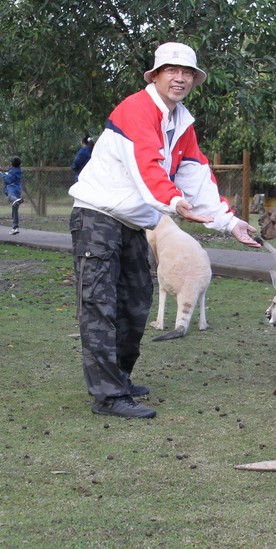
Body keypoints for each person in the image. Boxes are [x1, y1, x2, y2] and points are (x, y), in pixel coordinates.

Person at [68, 42, 261, 419]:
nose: (181, 78)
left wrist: (230, 222)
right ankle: (108, 397)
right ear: (155, 75)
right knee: (99, 306)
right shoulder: (136, 110)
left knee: (136, 303)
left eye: (188, 72)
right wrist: (173, 201)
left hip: (133, 223)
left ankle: (120, 379)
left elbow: (196, 175)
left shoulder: (181, 121)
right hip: (97, 217)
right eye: (172, 70)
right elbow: (147, 165)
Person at [2, 156, 23, 235]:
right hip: (18, 189)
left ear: (12, 163)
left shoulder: (13, 171)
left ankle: (15, 200)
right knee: (15, 210)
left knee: (11, 197)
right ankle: (15, 227)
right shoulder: (19, 170)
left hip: (12, 188)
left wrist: (2, 175)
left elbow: (8, 180)